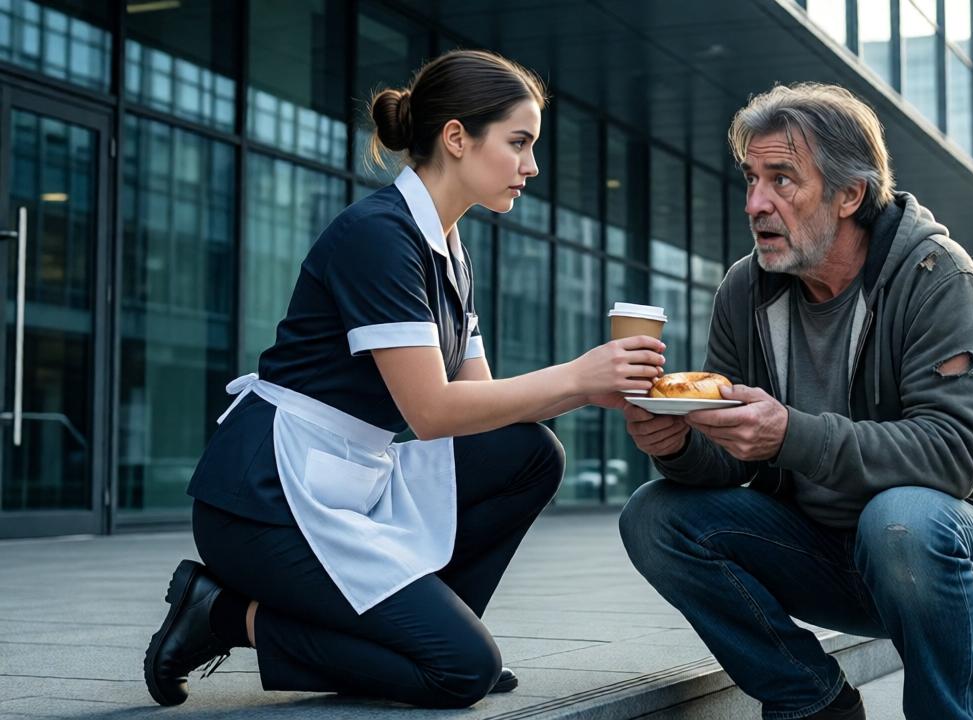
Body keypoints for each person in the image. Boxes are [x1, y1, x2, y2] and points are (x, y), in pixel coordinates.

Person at [142, 49, 666, 709]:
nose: (532, 166)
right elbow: (432, 413)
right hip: (265, 501)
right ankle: (220, 615)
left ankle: (437, 635)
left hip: (344, 482)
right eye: (519, 143)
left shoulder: (448, 249)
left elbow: (481, 407)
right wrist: (579, 378)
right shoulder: (380, 236)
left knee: (528, 452)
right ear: (456, 137)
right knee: (461, 674)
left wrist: (598, 387)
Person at [617, 82, 973, 720]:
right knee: (656, 517)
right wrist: (679, 445)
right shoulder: (746, 288)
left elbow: (952, 455)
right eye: (752, 178)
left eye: (783, 180)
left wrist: (788, 433)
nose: (757, 203)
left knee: (900, 519)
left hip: (961, 554)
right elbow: (736, 462)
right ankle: (811, 700)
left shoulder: (937, 276)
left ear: (850, 194)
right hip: (826, 551)